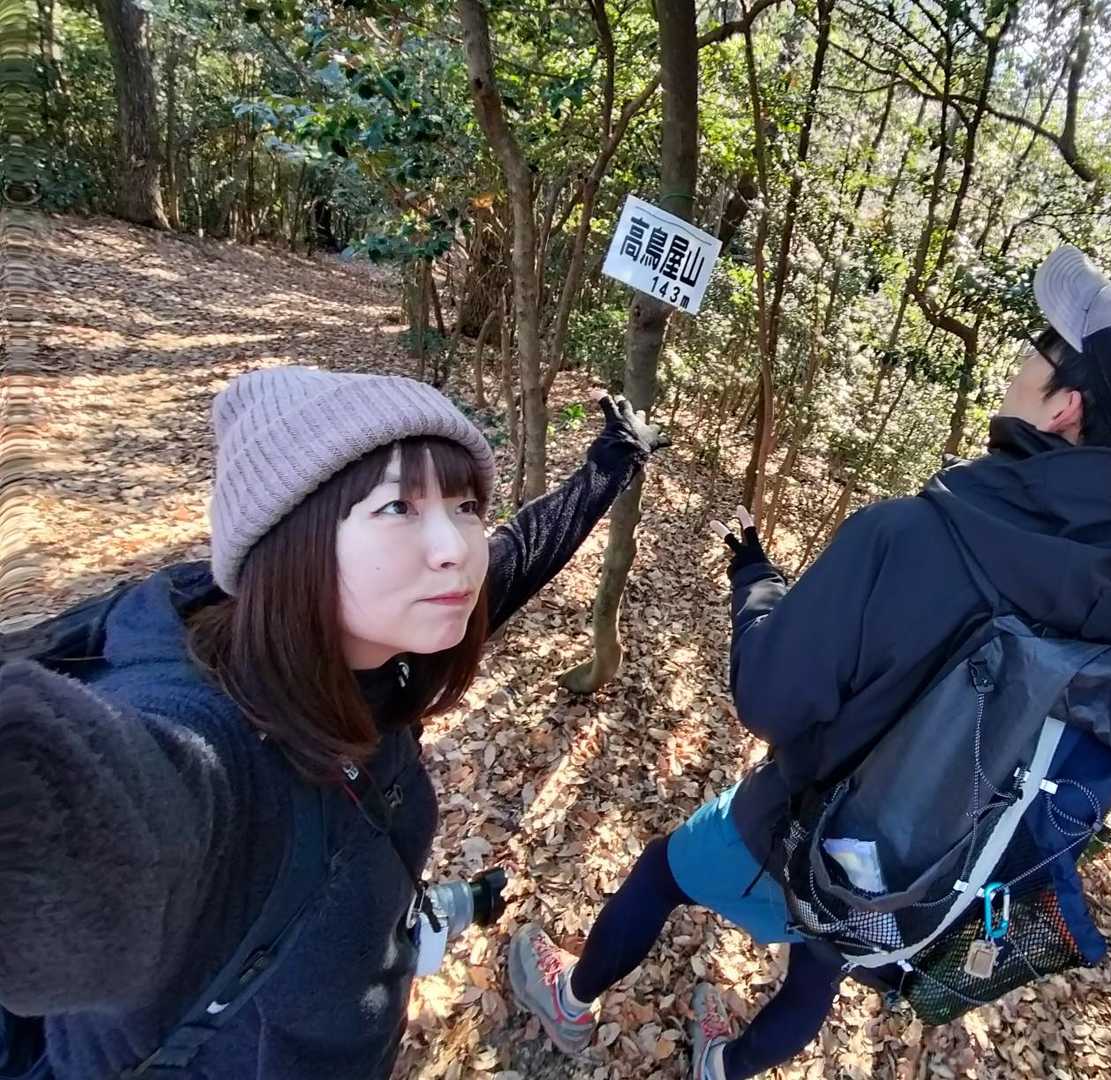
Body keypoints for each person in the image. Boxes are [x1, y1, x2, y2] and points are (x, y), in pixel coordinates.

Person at [507, 245, 1111, 1080]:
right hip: (917, 887)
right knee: (815, 973)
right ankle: (721, 1067)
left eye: (1042, 348)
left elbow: (767, 698)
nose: (1023, 359)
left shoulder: (909, 535)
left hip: (794, 826)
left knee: (660, 873)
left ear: (1064, 408)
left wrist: (755, 583)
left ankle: (570, 999)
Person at [0, 365, 667, 1079]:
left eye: (465, 505)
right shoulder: (204, 743)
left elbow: (523, 551)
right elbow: (81, 812)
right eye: (398, 507)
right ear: (292, 536)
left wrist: (611, 461)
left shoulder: (396, 643)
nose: (455, 546)